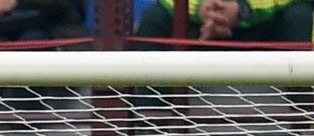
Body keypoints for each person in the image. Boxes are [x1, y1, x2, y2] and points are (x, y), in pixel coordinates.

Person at [131, 0, 312, 46]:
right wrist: (199, 8)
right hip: (200, 27)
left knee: (301, 17)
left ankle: (305, 126)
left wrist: (243, 9)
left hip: (268, 23)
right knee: (154, 20)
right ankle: (153, 129)